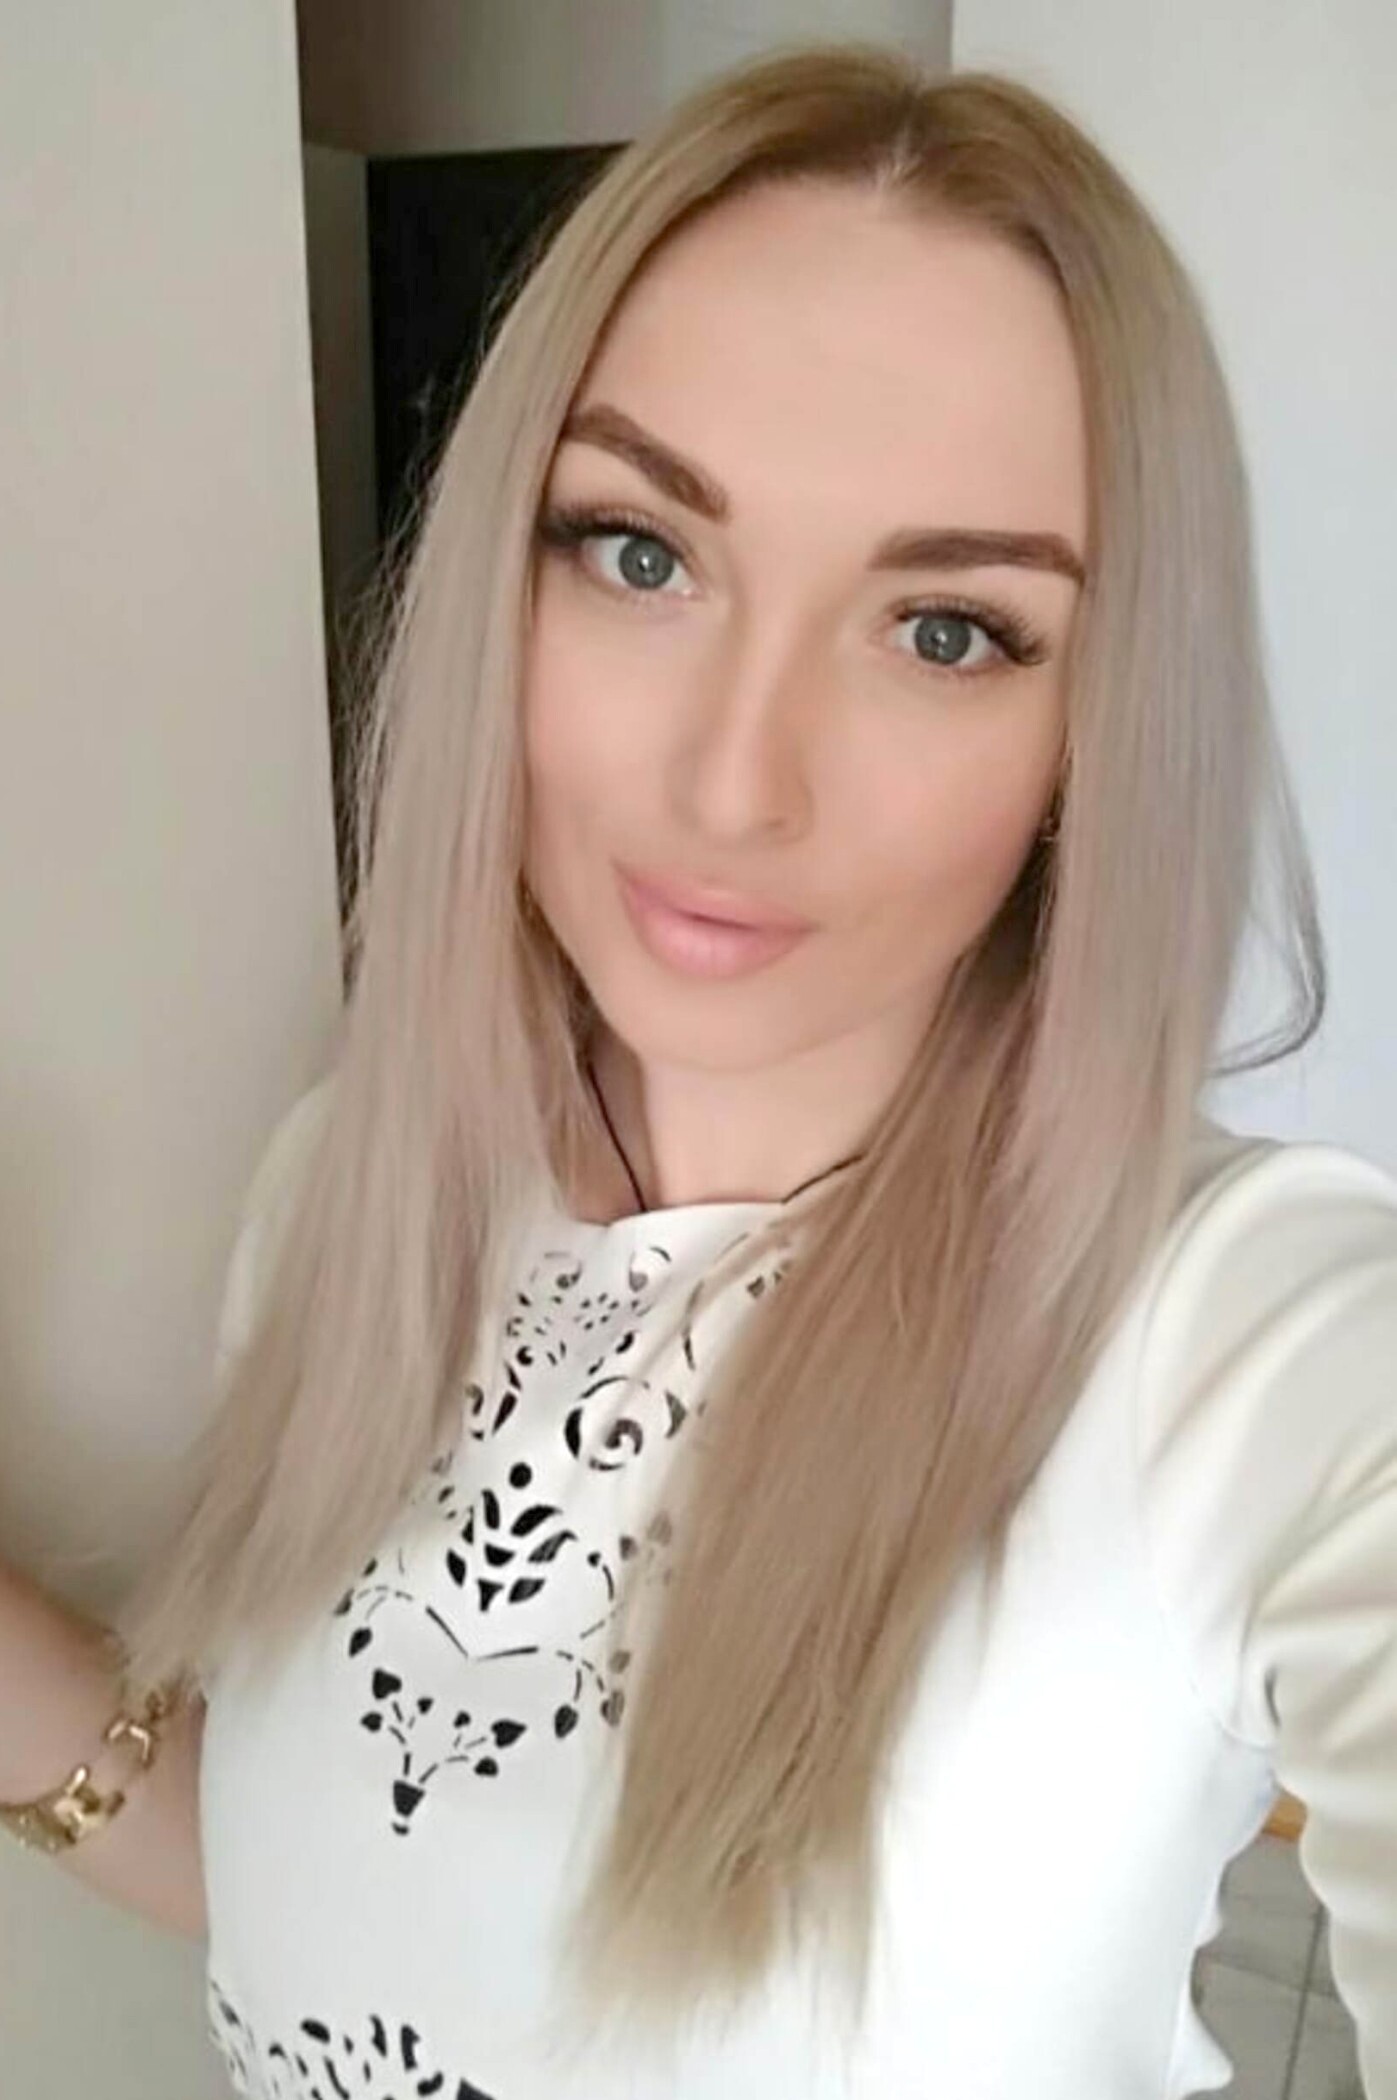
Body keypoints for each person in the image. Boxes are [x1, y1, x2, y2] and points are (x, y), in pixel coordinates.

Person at [2, 40, 1394, 2100]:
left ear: (1093, 732)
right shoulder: (347, 1194)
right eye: (638, 552)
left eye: (946, 631)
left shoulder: (1251, 1339)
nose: (736, 784)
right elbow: (366, 1902)